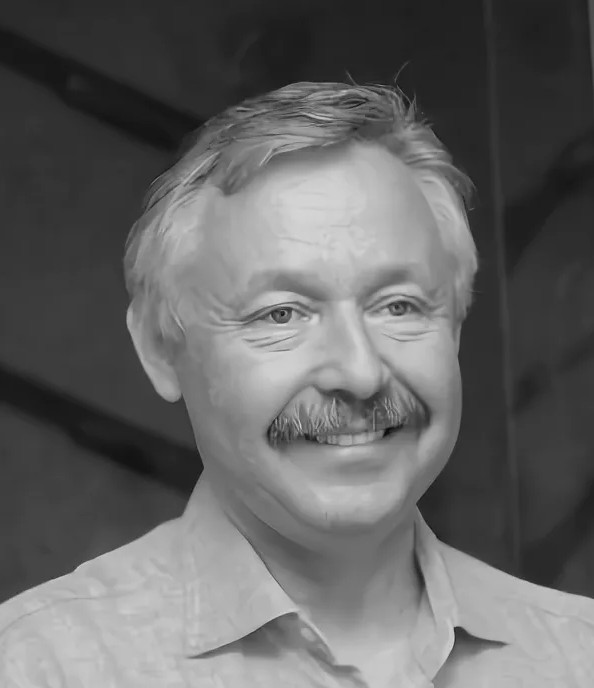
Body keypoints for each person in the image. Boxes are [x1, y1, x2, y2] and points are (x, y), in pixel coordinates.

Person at [1, 81, 593, 687]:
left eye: (399, 306)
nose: (360, 373)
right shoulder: (37, 669)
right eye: (281, 314)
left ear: (456, 328)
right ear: (160, 349)